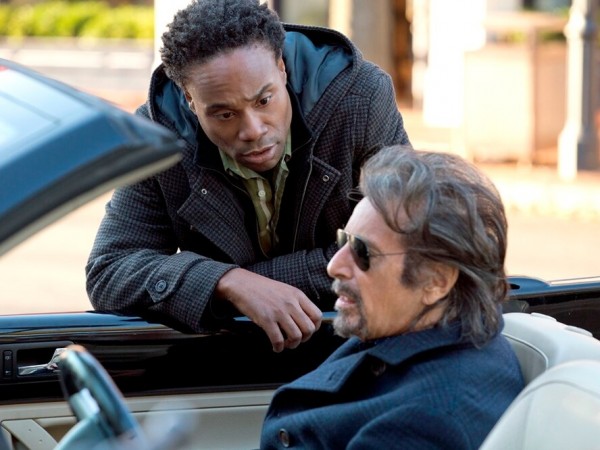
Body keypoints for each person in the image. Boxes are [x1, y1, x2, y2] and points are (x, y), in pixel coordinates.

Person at [85, 0, 410, 353]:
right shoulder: (158, 135)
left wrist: (252, 282)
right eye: (225, 114)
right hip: (227, 360)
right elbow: (109, 271)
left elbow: (400, 245)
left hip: (355, 345)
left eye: (264, 101)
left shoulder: (361, 98)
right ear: (190, 100)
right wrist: (227, 281)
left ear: (282, 69)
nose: (252, 130)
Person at [260, 145, 525, 449]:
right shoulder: (409, 330)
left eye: (362, 251)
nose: (334, 266)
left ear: (436, 281)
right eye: (343, 240)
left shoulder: (425, 424)